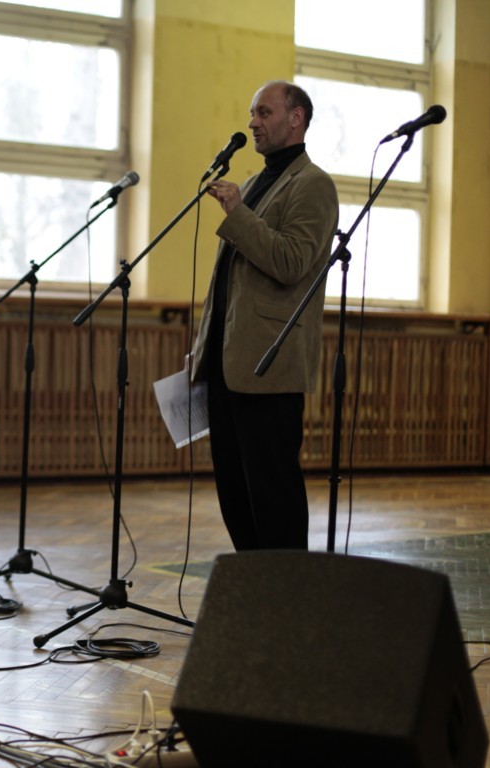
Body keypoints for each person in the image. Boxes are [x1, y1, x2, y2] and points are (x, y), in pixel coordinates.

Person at [189, 80, 339, 551]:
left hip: (270, 367)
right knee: (235, 493)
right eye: (252, 113)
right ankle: (255, 586)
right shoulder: (255, 182)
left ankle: (286, 590)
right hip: (228, 364)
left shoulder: (314, 185)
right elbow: (229, 281)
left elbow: (292, 262)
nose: (253, 122)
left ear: (296, 118)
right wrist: (204, 345)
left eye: (264, 113)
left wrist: (238, 212)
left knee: (273, 497)